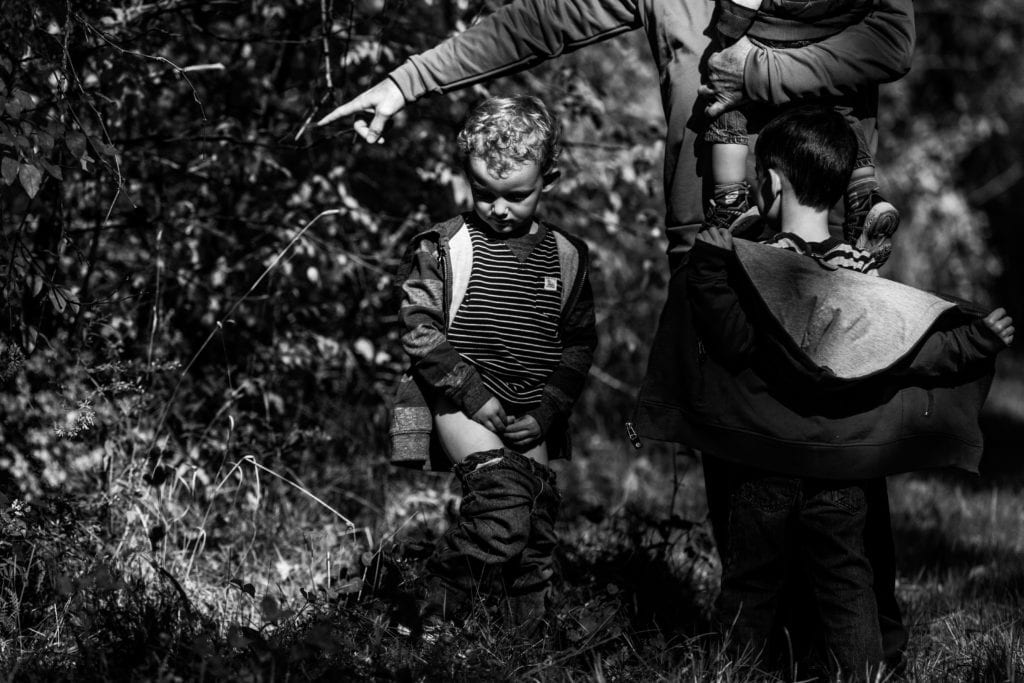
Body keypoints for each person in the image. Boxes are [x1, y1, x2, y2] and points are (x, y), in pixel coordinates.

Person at [318, 0, 914, 662]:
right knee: (736, 448)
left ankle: (869, 651)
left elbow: (890, 40)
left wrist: (757, 72)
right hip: (711, 239)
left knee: (843, 453)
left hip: (824, 236)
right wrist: (405, 82)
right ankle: (770, 651)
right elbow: (538, 21)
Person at [673, 106, 1014, 678]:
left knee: (750, 586)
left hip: (765, 467)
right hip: (843, 474)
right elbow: (907, 354)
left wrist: (709, 262)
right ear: (840, 193)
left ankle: (730, 673)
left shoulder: (759, 271)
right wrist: (973, 343)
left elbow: (730, 342)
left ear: (771, 183)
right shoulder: (858, 276)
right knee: (849, 587)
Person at [389, 95, 597, 631]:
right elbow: (419, 328)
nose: (498, 209)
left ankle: (522, 636)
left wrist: (550, 410)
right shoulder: (448, 245)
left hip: (532, 408)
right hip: (463, 399)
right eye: (484, 193)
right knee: (502, 503)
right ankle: (426, 612)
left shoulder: (567, 256)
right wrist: (472, 394)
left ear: (547, 180)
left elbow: (577, 343)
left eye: (516, 195)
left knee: (537, 526)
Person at [705, 0, 900, 265]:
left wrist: (728, 28)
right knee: (841, 111)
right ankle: (862, 195)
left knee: (727, 106)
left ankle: (729, 200)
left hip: (764, 36)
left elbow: (737, 8)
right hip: (829, 37)